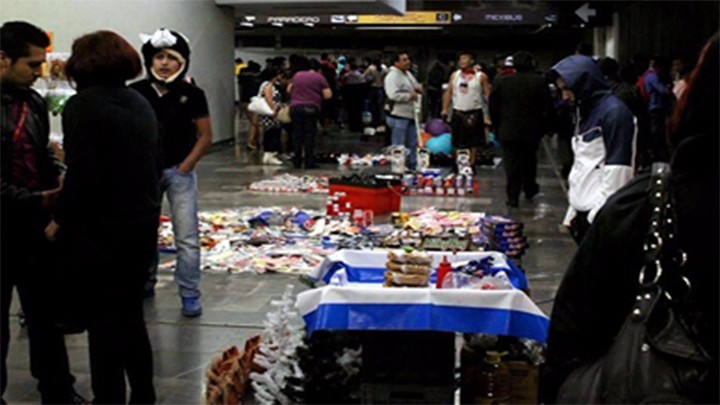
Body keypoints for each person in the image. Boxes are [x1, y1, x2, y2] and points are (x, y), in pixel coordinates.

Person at [543, 33, 719, 404]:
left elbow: (574, 332)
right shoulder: (590, 113)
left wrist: (603, 214)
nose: (564, 95)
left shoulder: (648, 203)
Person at [45, 30, 160, 404]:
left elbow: (84, 174)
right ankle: (144, 394)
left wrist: (58, 219)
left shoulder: (84, 105)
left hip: (99, 228)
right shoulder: (139, 101)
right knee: (131, 317)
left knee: (103, 322)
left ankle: (108, 397)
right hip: (139, 222)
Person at [0, 20, 85, 405]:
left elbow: (41, 152)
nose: (40, 73)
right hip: (8, 222)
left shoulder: (31, 100)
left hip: (33, 227)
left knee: (45, 316)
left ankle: (57, 389)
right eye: (32, 65)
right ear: (3, 59)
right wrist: (40, 200)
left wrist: (61, 178)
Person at [130, 28, 212, 317]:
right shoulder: (136, 92)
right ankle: (145, 281)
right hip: (144, 175)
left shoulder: (193, 94)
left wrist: (186, 166)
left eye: (171, 58)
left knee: (186, 236)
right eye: (159, 57)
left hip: (179, 173)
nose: (164, 63)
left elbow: (205, 135)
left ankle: (190, 293)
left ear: (183, 62)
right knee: (143, 232)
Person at [550, 54, 636, 244]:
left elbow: (618, 169)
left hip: (600, 214)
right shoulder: (584, 110)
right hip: (584, 210)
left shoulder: (615, 113)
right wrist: (573, 210)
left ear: (583, 83)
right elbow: (583, 163)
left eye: (567, 89)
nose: (564, 97)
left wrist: (600, 215)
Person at [489, 51, 551, 207]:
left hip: (508, 129)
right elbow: (547, 106)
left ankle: (512, 196)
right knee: (530, 159)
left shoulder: (501, 82)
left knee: (511, 163)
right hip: (532, 129)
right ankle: (529, 187)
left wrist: (496, 126)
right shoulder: (539, 81)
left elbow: (493, 107)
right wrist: (547, 127)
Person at [441, 51, 492, 168]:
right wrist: (444, 108)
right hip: (458, 110)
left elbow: (488, 95)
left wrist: (488, 114)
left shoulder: (481, 76)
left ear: (472, 61)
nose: (462, 61)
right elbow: (448, 92)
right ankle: (456, 162)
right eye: (460, 59)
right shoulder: (455, 75)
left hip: (474, 111)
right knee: (456, 140)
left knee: (473, 142)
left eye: (465, 59)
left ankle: (471, 164)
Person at [288, 56, 332, 169]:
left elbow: (289, 90)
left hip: (295, 107)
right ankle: (309, 161)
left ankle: (297, 161)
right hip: (311, 108)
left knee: (297, 134)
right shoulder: (319, 77)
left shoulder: (297, 75)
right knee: (309, 135)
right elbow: (328, 95)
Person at [384, 51, 422, 170]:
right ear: (396, 63)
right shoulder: (392, 76)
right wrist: (409, 96)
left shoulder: (407, 74)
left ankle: (411, 166)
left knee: (411, 143)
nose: (408, 62)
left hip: (410, 114)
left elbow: (415, 86)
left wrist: (418, 88)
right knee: (398, 145)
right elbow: (392, 95)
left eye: (408, 59)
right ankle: (398, 167)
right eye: (404, 60)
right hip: (398, 115)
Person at [644, 56, 673, 162]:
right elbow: (662, 90)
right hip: (656, 107)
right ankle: (658, 155)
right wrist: (669, 89)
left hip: (655, 106)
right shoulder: (653, 77)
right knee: (658, 133)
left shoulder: (648, 76)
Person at [257, 66, 288, 165]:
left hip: (271, 112)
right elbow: (269, 98)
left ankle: (270, 154)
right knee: (272, 133)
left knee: (272, 133)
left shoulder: (268, 84)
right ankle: (269, 154)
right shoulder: (268, 85)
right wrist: (273, 110)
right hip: (270, 114)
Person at [237, 60, 261, 151]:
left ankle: (256, 141)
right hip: (253, 102)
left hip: (244, 101)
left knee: (253, 122)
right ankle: (250, 142)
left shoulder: (242, 78)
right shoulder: (257, 79)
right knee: (254, 123)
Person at [363, 57, 387, 129]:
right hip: (381, 88)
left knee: (373, 106)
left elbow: (365, 76)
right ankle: (381, 120)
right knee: (380, 106)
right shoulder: (384, 68)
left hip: (373, 88)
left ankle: (374, 121)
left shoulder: (371, 68)